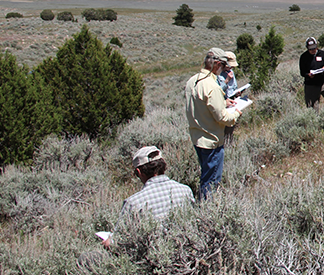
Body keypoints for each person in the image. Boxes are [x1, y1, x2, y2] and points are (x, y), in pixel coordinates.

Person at [104, 146, 194, 247]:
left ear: (138, 172)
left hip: (150, 256)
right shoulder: (185, 190)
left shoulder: (134, 202)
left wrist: (108, 241)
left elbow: (117, 240)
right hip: (185, 250)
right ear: (163, 166)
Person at [185, 48, 242, 199]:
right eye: (223, 66)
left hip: (197, 137)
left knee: (205, 175)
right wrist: (236, 113)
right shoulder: (212, 86)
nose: (224, 70)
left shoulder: (192, 81)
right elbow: (222, 118)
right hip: (212, 141)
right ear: (217, 64)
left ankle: (203, 204)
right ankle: (208, 211)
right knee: (211, 182)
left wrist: (223, 102)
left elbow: (202, 105)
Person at [298, 37, 324, 109]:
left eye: (314, 47)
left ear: (316, 46)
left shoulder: (322, 54)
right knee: (313, 109)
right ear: (307, 48)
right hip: (311, 86)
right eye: (310, 48)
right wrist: (308, 75)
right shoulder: (304, 57)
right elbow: (302, 72)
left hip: (323, 82)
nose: (312, 50)